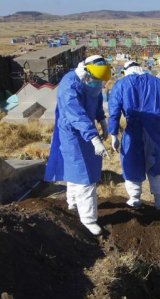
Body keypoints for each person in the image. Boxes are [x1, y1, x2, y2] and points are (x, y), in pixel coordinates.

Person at [44, 55, 113, 235]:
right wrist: (94, 138)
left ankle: (73, 203)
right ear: (87, 73)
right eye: (97, 81)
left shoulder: (92, 83)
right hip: (72, 134)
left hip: (86, 130)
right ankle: (88, 219)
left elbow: (96, 100)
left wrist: (102, 120)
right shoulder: (70, 85)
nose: (99, 85)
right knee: (84, 176)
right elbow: (76, 115)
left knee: (76, 171)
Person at [108, 60, 160, 209]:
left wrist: (113, 134)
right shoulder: (158, 82)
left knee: (132, 162)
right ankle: (159, 202)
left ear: (126, 71)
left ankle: (135, 198)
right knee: (156, 164)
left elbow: (114, 111)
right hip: (157, 129)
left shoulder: (122, 84)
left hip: (134, 129)